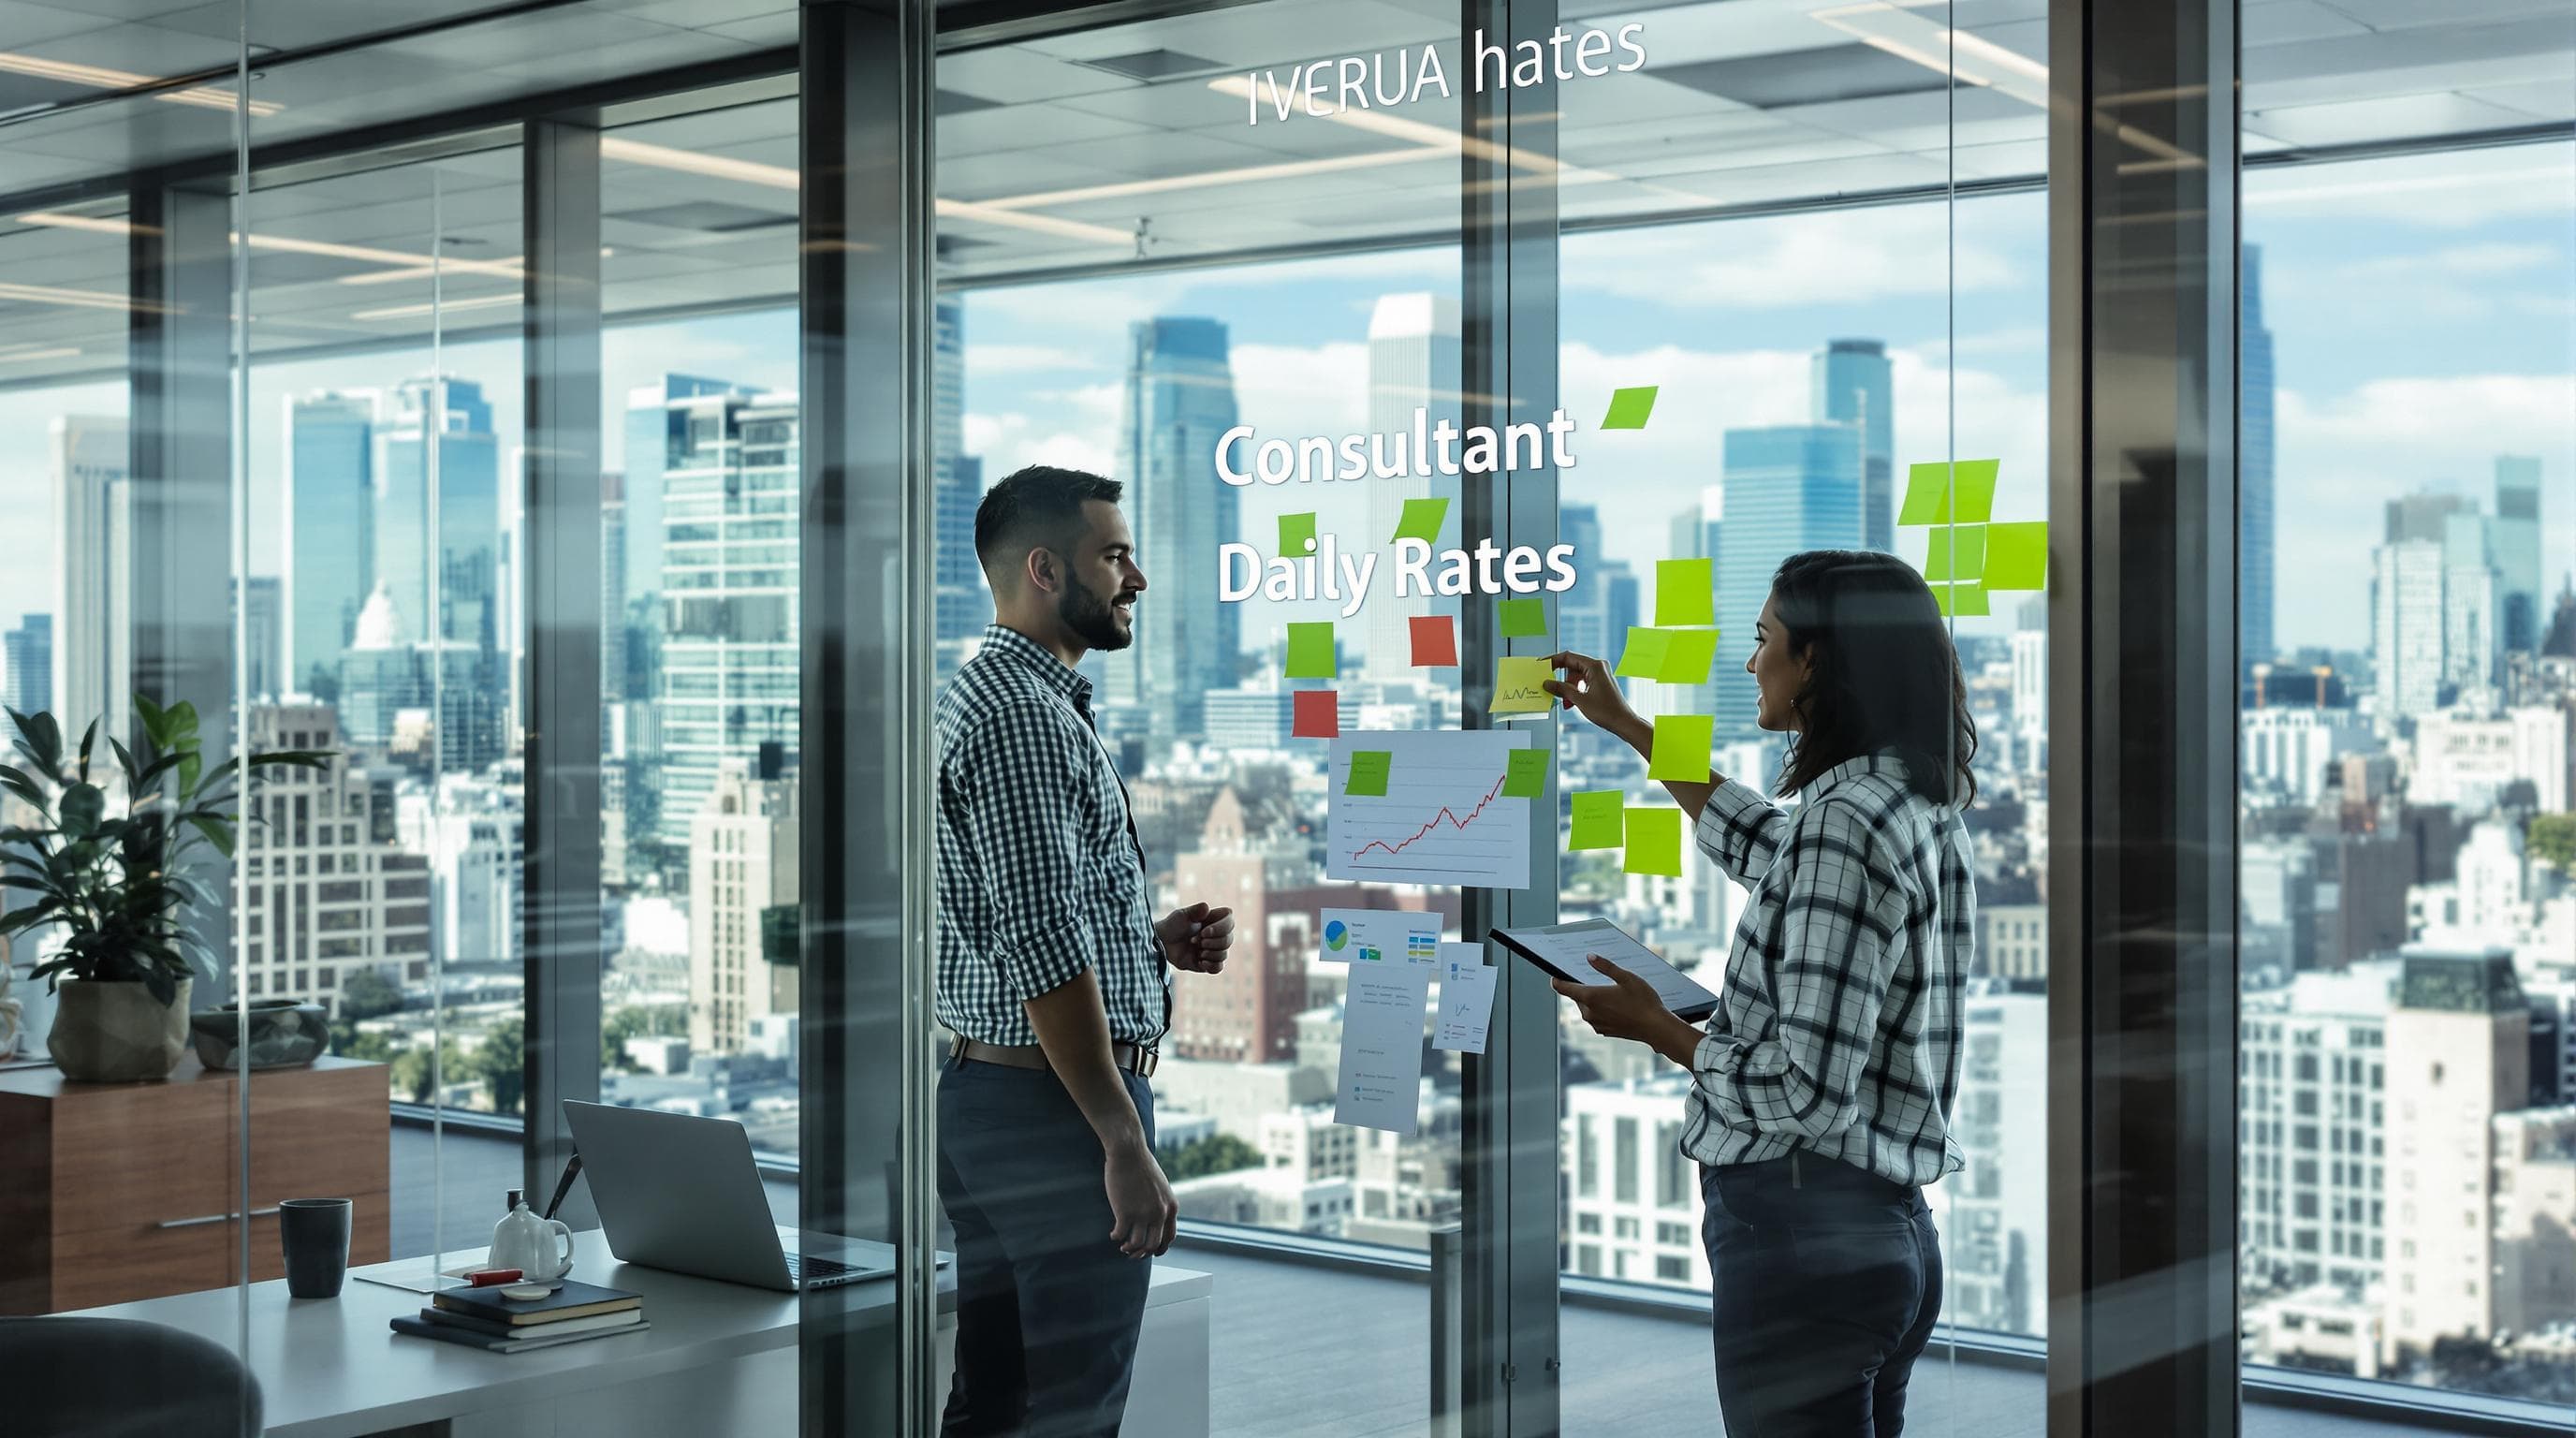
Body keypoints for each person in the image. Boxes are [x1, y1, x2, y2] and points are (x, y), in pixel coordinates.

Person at [1544, 549, 1976, 1437]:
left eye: (1763, 639)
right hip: (1883, 1234)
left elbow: (1806, 1093)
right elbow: (1766, 847)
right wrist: (1631, 727)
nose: (1751, 663)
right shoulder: (1910, 801)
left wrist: (1658, 1029)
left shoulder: (1845, 826)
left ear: (1815, 659)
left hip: (1802, 1238)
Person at [934, 464, 1237, 1438]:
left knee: (998, 1404)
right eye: (1112, 556)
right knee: (1070, 1414)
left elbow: (1013, 914)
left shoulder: (997, 697)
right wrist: (1119, 1139)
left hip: (1002, 1095)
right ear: (1041, 569)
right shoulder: (1023, 720)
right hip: (1055, 1111)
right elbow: (1039, 943)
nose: (1134, 577)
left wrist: (1141, 946)